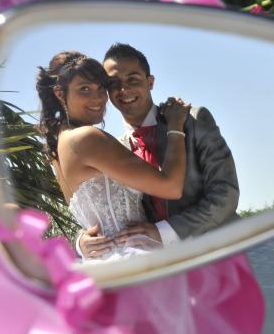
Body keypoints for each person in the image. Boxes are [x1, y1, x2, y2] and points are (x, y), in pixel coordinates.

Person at [77, 43, 240, 259]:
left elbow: (226, 193)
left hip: (224, 251)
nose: (124, 90)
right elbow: (105, 208)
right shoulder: (113, 149)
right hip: (163, 268)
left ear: (150, 82)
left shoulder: (193, 119)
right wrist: (81, 242)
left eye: (133, 79)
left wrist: (165, 233)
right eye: (114, 83)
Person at [36, 51, 191, 260]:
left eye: (101, 88)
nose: (98, 98)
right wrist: (175, 127)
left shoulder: (58, 147)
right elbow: (171, 187)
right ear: (60, 94)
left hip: (105, 262)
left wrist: (80, 242)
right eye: (84, 89)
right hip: (134, 256)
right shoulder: (87, 138)